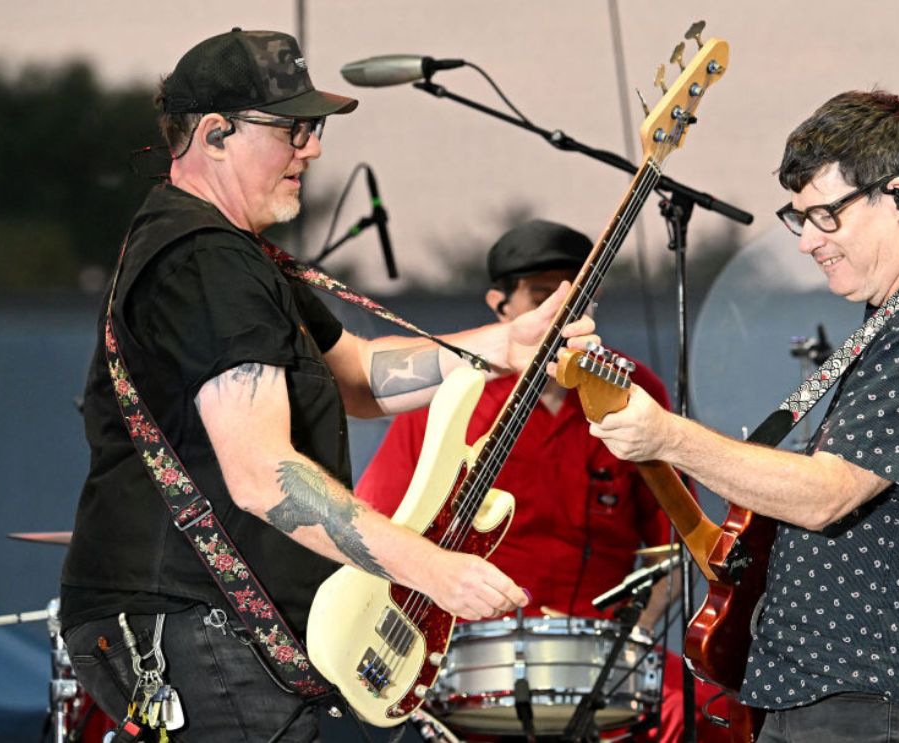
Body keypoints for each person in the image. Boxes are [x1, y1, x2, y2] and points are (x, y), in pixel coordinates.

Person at [59, 29, 596, 742]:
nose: (312, 149)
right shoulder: (204, 261)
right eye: (293, 129)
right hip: (191, 617)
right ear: (216, 133)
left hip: (207, 621)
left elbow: (362, 376)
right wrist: (430, 568)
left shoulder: (233, 255)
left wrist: (505, 344)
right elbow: (263, 475)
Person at [586, 90, 899, 742]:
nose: (806, 242)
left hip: (881, 699)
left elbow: (829, 494)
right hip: (846, 695)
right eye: (797, 218)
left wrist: (668, 434)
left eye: (824, 215)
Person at [357, 219, 716, 741]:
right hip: (473, 651)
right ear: (499, 305)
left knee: (706, 709)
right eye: (541, 295)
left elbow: (673, 546)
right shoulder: (450, 398)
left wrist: (633, 636)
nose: (561, 310)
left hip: (601, 648)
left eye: (578, 295)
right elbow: (379, 525)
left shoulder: (635, 391)